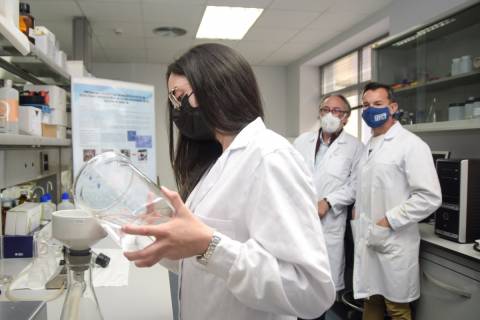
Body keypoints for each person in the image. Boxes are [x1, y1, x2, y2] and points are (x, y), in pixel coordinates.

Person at [121, 43, 336, 320]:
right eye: (172, 100)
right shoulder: (218, 160)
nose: (176, 109)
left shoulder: (269, 157)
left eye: (180, 96)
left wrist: (209, 245)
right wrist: (165, 237)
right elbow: (206, 265)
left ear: (216, 90)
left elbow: (311, 291)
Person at [352, 82, 442, 320]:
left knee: (397, 308)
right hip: (370, 239)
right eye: (366, 105)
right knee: (371, 299)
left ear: (393, 107)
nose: (371, 110)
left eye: (378, 104)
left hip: (393, 240)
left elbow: (429, 197)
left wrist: (387, 221)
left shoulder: (411, 145)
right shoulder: (368, 146)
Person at [293, 95, 364, 319]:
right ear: (319, 113)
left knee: (320, 293)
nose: (330, 115)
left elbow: (356, 185)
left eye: (337, 111)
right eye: (325, 109)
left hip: (329, 225)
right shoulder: (301, 141)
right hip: (298, 221)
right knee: (294, 287)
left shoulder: (355, 147)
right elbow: (289, 174)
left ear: (346, 118)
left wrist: (329, 201)